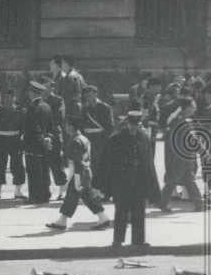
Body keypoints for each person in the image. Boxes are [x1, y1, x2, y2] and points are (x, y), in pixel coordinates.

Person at [101, 111, 160, 248]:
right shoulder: (116, 139)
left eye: (137, 125)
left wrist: (152, 186)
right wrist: (105, 185)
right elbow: (106, 162)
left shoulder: (144, 138)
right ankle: (118, 241)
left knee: (139, 211)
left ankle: (138, 241)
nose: (134, 128)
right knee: (121, 211)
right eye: (132, 124)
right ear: (127, 123)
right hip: (122, 182)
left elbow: (148, 163)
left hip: (139, 181)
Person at [45, 118, 112, 231]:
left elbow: (77, 161)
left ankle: (63, 221)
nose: (65, 128)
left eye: (67, 125)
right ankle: (101, 218)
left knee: (78, 197)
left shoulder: (76, 141)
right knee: (82, 197)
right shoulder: (84, 138)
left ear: (71, 126)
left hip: (79, 173)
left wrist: (75, 178)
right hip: (84, 172)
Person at [159, 96, 203, 212]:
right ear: (187, 107)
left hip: (179, 156)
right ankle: (162, 203)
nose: (195, 108)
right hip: (181, 157)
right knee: (174, 181)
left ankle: (199, 204)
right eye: (193, 106)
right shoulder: (183, 122)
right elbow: (192, 140)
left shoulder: (177, 120)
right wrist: (203, 151)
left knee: (187, 180)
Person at [0, 88, 26, 199]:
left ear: (14, 98)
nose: (7, 100)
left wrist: (20, 138)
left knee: (17, 165)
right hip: (1, 140)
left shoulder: (20, 111)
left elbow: (24, 127)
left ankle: (18, 191)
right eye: (5, 98)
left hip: (15, 140)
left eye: (9, 97)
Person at [23, 80, 55, 203]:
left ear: (32, 93)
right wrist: (48, 139)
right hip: (45, 142)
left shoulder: (32, 107)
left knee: (33, 171)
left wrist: (40, 140)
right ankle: (45, 194)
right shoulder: (47, 106)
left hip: (33, 143)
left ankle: (35, 196)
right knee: (44, 169)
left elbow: (33, 127)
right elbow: (51, 126)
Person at [80, 85, 114, 196]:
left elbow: (110, 127)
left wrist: (104, 140)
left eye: (91, 95)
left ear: (96, 94)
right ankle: (94, 191)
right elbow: (82, 126)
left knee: (103, 166)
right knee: (91, 167)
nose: (89, 98)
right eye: (87, 96)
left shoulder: (105, 107)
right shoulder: (85, 108)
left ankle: (106, 192)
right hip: (89, 140)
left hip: (101, 140)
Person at [42, 77, 69, 199]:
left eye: (50, 86)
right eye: (45, 86)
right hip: (41, 134)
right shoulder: (38, 100)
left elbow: (59, 117)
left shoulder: (58, 100)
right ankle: (45, 191)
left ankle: (62, 190)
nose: (47, 88)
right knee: (43, 164)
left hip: (54, 134)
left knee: (56, 163)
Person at [53, 55, 85, 124]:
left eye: (62, 63)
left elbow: (65, 96)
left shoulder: (68, 77)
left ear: (66, 64)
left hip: (70, 109)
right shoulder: (79, 76)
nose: (61, 66)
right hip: (79, 108)